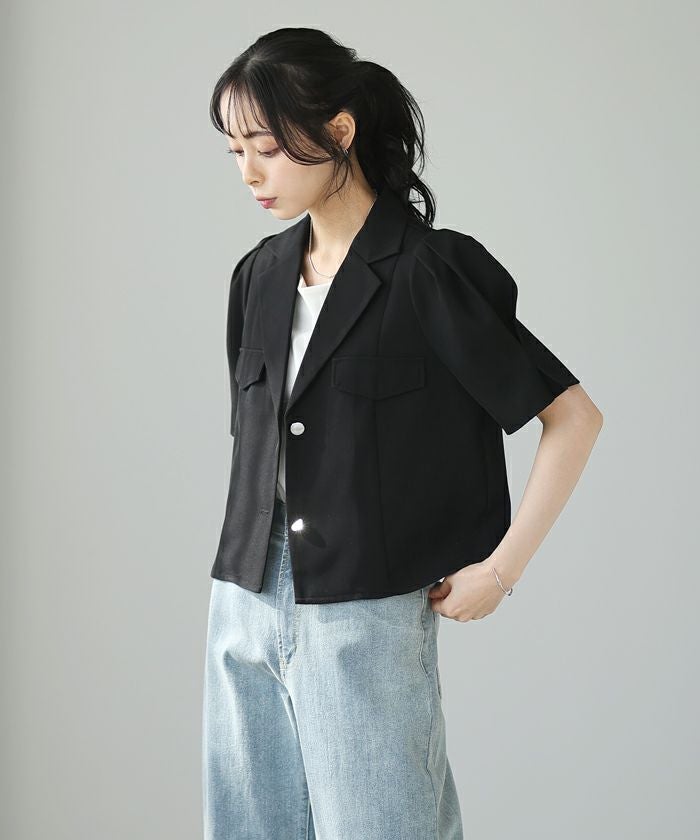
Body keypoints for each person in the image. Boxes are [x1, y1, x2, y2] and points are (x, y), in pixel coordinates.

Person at [202, 27, 603, 840]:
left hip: (364, 612)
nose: (249, 173)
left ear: (339, 130)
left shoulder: (429, 270)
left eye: (268, 148)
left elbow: (571, 417)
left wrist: (501, 570)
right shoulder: (259, 275)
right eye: (235, 150)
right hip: (243, 598)